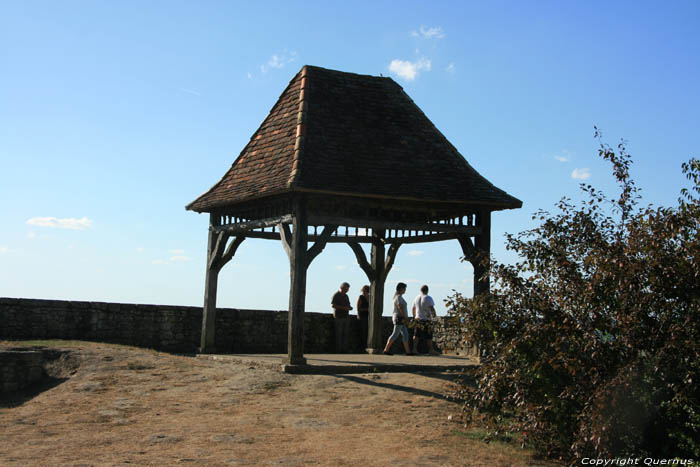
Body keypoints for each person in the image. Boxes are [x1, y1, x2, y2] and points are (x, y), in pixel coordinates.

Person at [383, 282, 414, 356]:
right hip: (399, 318)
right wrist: (405, 317)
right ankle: (386, 350)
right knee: (395, 334)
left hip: (400, 318)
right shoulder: (398, 297)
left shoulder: (397, 297)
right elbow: (400, 307)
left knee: (405, 334)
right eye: (404, 288)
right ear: (401, 289)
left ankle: (408, 352)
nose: (405, 290)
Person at [412, 284, 439, 355]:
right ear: (427, 290)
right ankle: (431, 350)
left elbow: (413, 308)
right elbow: (432, 308)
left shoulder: (416, 298)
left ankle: (414, 349)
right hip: (426, 319)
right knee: (429, 335)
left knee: (416, 334)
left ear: (420, 290)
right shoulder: (428, 298)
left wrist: (414, 316)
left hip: (418, 318)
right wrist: (434, 317)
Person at [331, 282, 352, 353]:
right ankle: (338, 350)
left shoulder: (346, 296)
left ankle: (344, 350)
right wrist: (343, 308)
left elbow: (348, 305)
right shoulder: (336, 295)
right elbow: (333, 305)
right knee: (339, 334)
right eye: (346, 288)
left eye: (348, 289)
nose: (347, 290)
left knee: (345, 334)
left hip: (346, 317)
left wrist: (349, 308)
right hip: (338, 317)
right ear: (342, 287)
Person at [356, 285, 370, 352]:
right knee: (363, 332)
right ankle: (362, 347)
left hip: (369, 317)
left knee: (367, 332)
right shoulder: (361, 297)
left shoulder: (370, 297)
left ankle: (367, 346)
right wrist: (367, 309)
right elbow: (358, 308)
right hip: (362, 317)